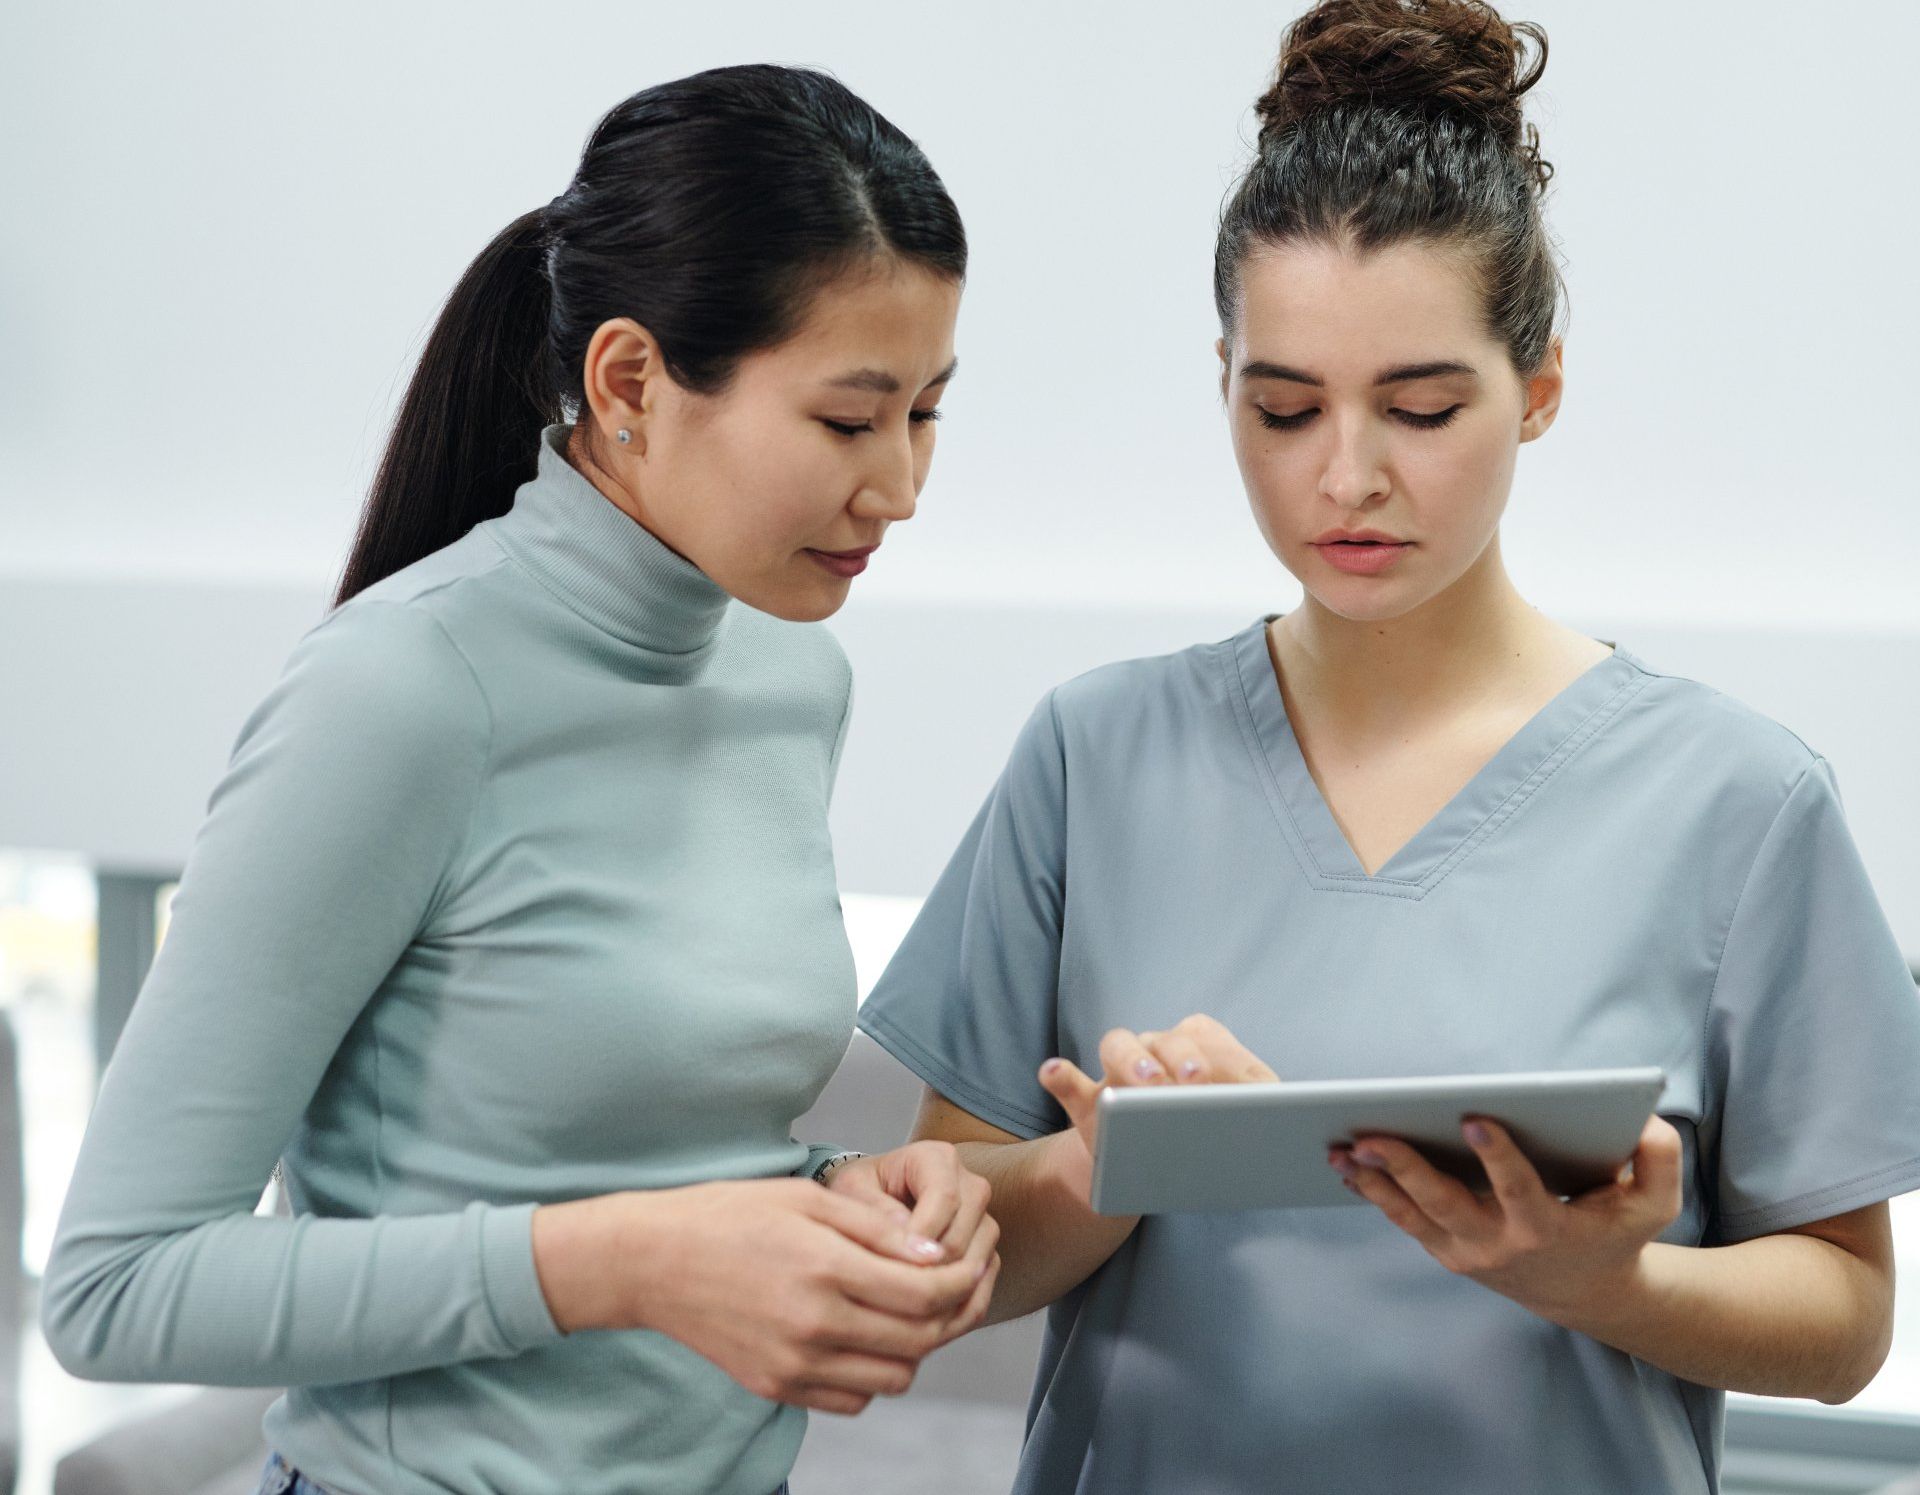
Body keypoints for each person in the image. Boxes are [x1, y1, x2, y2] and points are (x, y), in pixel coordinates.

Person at [852, 3, 1920, 1491]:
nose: (1345, 477)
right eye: (1281, 408)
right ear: (1220, 374)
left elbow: (1848, 1312)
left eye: (1421, 408)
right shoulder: (1096, 759)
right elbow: (951, 1224)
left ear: (1538, 389)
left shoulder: (1737, 805)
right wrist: (1096, 1175)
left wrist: (1605, 1285)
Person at [42, 63, 999, 1495]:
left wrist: (842, 1204)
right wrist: (626, 1262)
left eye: (928, 411)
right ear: (629, 383)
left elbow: (669, 1140)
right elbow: (116, 1289)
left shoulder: (794, 677)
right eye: (850, 421)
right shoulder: (401, 693)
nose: (903, 487)